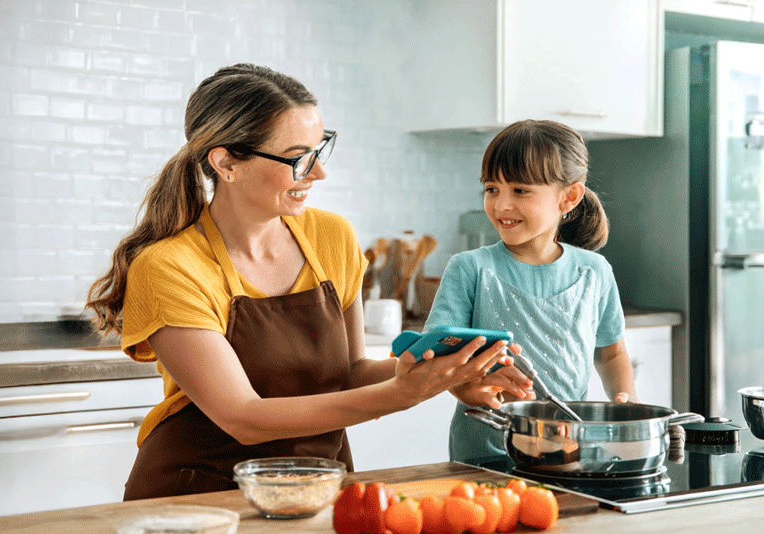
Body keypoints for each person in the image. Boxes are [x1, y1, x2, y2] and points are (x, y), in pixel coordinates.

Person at [85, 64, 527, 500]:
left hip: (317, 489)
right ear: (226, 163)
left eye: (320, 149)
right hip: (201, 497)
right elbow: (243, 417)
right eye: (298, 157)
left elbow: (351, 373)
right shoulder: (170, 266)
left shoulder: (330, 236)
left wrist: (446, 370)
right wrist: (402, 395)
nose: (318, 174)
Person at [423, 119, 639, 464]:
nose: (501, 205)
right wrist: (472, 391)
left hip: (568, 448)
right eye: (492, 189)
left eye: (520, 191)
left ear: (568, 197)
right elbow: (443, 359)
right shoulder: (470, 268)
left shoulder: (594, 271)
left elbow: (611, 354)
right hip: (485, 452)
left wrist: (625, 401)